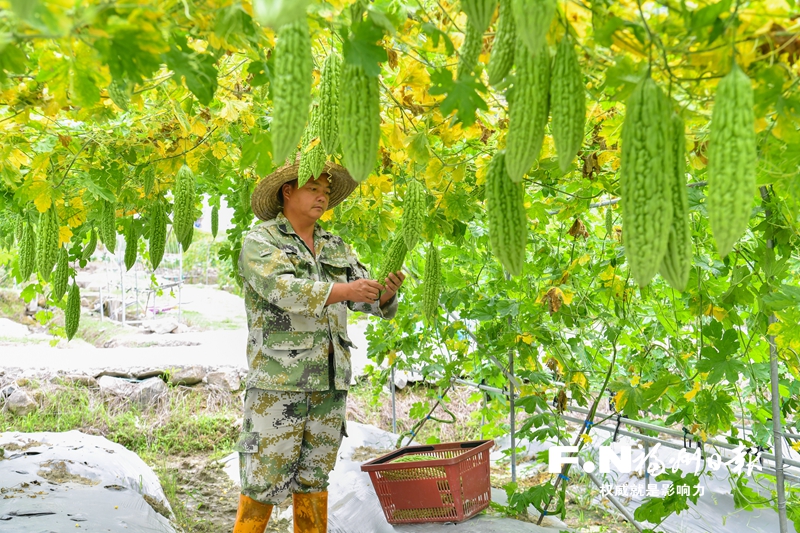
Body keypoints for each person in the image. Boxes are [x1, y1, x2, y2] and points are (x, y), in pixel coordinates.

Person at [232, 159, 405, 533]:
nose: (322, 197)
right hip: (278, 386)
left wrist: (384, 293)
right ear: (287, 192)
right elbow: (283, 290)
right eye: (314, 189)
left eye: (326, 192)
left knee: (314, 479)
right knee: (263, 481)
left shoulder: (334, 245)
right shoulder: (261, 241)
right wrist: (344, 290)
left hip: (329, 384)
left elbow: (364, 298)